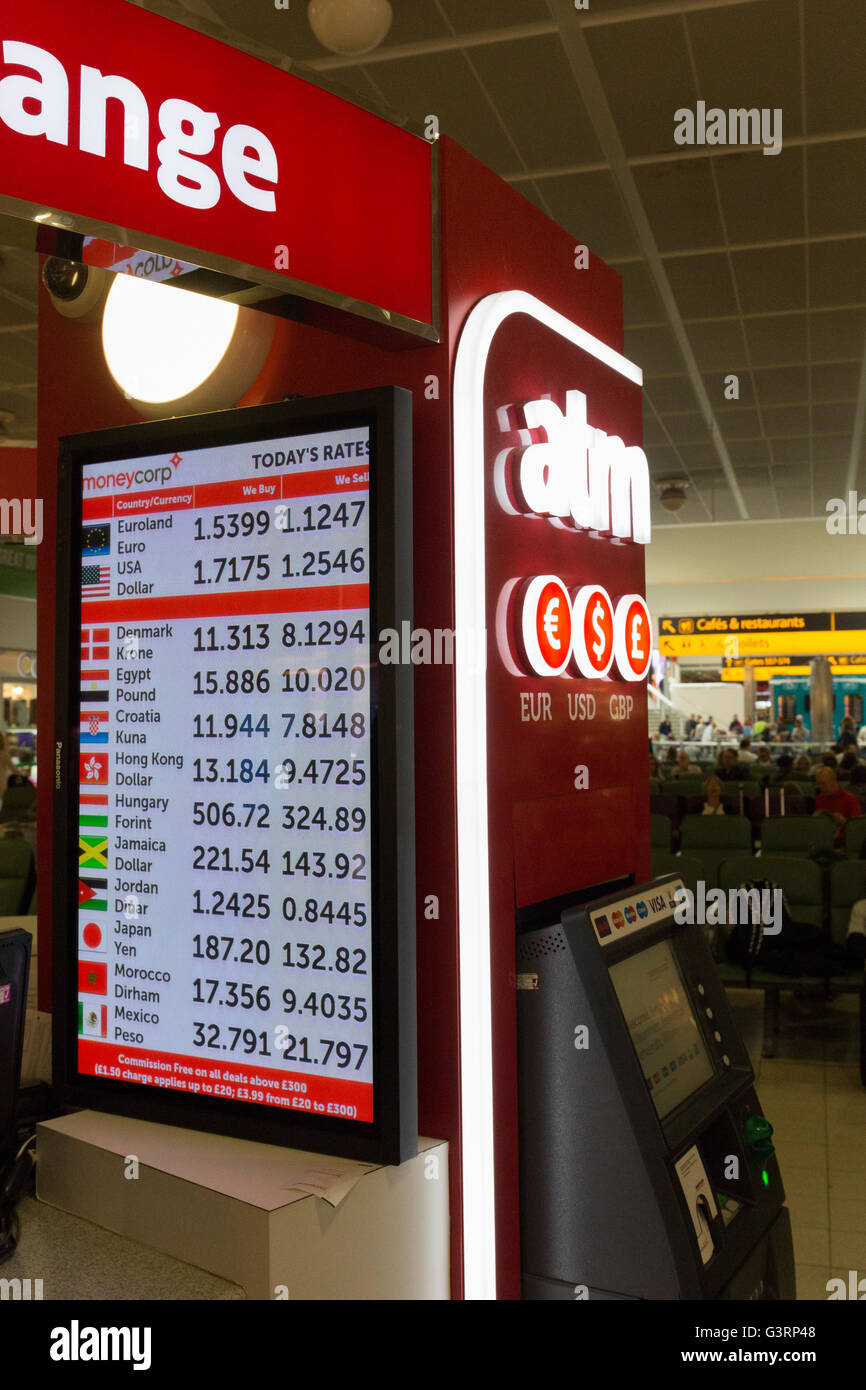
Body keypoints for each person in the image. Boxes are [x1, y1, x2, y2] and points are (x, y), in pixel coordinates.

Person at [813, 765, 861, 845]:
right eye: (818, 784)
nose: (820, 787)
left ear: (834, 781)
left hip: (844, 844)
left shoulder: (850, 799)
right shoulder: (819, 799)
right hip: (823, 842)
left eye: (823, 784)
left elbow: (857, 828)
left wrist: (844, 822)